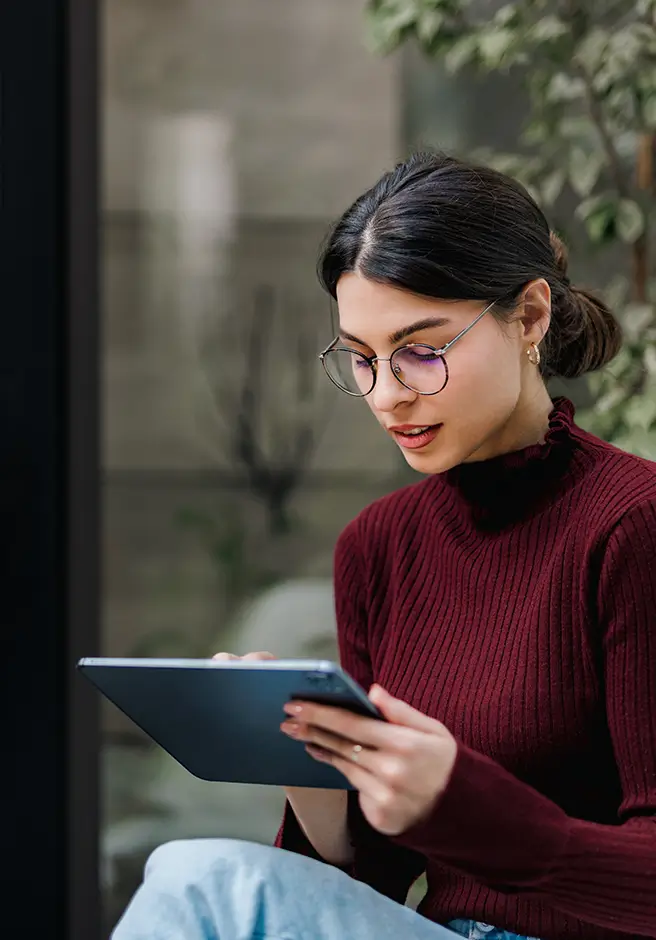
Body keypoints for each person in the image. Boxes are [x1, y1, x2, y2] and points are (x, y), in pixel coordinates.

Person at [112, 152, 656, 940]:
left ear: (531, 317)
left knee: (199, 880)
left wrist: (465, 804)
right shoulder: (377, 548)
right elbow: (366, 877)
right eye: (361, 358)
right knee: (191, 874)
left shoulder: (632, 526)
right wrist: (305, 761)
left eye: (421, 350)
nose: (386, 394)